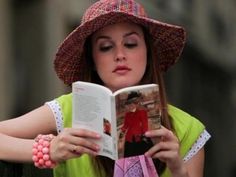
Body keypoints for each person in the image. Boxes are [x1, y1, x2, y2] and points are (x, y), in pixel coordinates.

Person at [0, 0, 211, 177]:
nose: (120, 55)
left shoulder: (189, 131)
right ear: (92, 59)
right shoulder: (68, 110)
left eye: (130, 44)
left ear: (148, 52)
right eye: (106, 47)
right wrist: (48, 149)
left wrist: (177, 169)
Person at [120, 91, 153, 157]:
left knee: (140, 154)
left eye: (132, 104)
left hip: (139, 136)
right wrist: (121, 135)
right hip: (129, 138)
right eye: (129, 104)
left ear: (135, 104)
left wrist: (145, 135)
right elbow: (125, 126)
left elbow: (144, 124)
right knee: (129, 155)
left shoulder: (142, 112)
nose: (130, 106)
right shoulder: (127, 114)